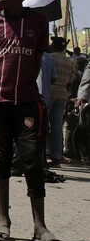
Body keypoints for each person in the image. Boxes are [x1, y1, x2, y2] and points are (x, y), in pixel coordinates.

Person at [0, 0, 60, 241]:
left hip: (27, 102)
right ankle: (4, 220)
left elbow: (37, 59)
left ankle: (40, 226)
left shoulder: (39, 22)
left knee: (32, 159)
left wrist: (25, 86)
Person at [46, 37, 74, 167]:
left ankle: (44, 153)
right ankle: (57, 156)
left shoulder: (49, 57)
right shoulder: (69, 61)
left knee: (44, 124)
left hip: (49, 92)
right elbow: (69, 80)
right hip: (62, 94)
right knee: (57, 126)